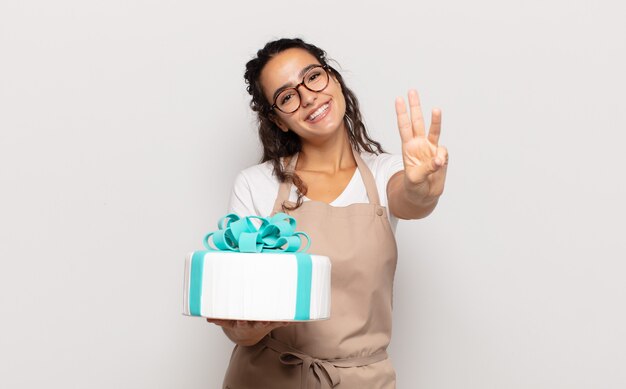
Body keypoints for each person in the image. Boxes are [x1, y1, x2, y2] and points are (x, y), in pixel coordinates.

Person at [207, 37, 448, 388]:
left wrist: (424, 186)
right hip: (265, 377)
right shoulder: (255, 185)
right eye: (287, 97)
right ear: (279, 121)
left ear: (333, 78)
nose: (308, 97)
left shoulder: (385, 173)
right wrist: (247, 328)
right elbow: (241, 328)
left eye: (313, 77)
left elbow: (411, 200)